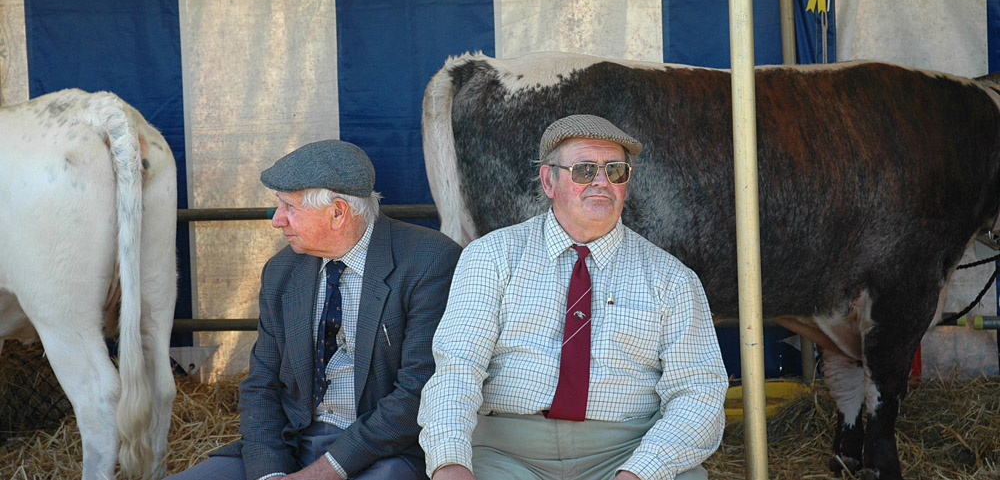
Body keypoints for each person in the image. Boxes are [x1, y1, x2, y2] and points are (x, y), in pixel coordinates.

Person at [417, 114, 728, 480]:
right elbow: (457, 369)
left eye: (616, 171)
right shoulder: (491, 256)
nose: (602, 182)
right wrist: (450, 461)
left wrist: (640, 472)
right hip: (507, 455)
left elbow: (699, 393)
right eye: (583, 170)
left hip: (626, 452)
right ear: (549, 180)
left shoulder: (671, 278)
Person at [168, 139, 462, 480]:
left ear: (337, 212)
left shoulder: (429, 261)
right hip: (290, 444)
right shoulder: (281, 271)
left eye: (289, 207)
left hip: (385, 451)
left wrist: (325, 472)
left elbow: (416, 393)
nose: (277, 220)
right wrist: (270, 474)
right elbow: (261, 384)